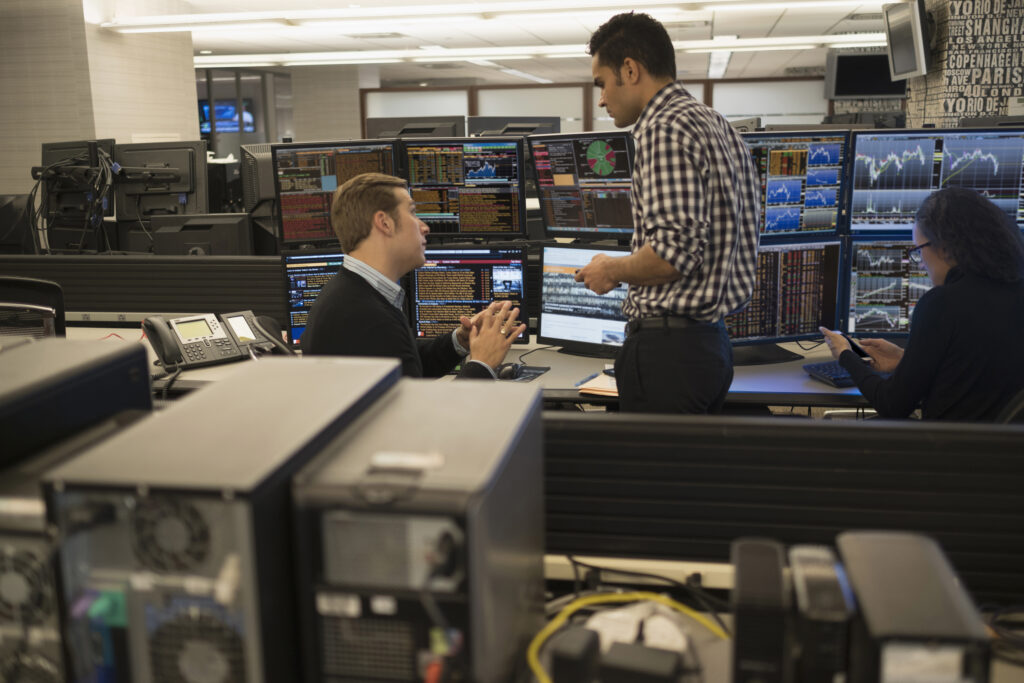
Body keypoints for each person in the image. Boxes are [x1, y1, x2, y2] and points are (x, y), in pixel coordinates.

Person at [574, 12, 761, 414]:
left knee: (655, 477)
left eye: (602, 84)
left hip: (669, 357)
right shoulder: (718, 125)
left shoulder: (664, 130)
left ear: (630, 69)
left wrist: (611, 269)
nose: (602, 99)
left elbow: (673, 254)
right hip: (709, 346)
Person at [820, 187, 1024, 420]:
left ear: (946, 248)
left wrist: (847, 356)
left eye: (919, 250)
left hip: (945, 451)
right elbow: (978, 371)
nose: (920, 264)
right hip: (1004, 452)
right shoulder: (1015, 291)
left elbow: (892, 405)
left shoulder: (942, 304)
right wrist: (907, 359)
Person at [301, 172, 525, 378]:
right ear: (385, 223)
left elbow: (405, 364)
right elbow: (420, 418)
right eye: (412, 212)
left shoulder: (351, 294)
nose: (424, 227)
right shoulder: (365, 317)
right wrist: (482, 364)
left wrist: (459, 341)